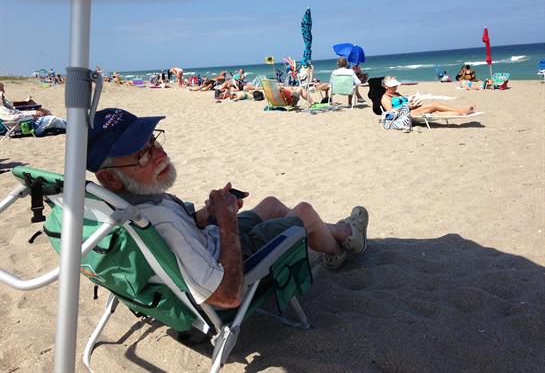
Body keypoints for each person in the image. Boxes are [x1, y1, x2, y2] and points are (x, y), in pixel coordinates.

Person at [87, 108, 369, 307]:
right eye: (144, 155)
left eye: (153, 141)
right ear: (111, 177)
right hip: (231, 262)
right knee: (304, 212)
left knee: (270, 204)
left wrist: (208, 214)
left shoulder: (125, 204)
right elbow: (227, 296)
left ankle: (340, 233)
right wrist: (226, 220)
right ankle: (340, 246)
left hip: (210, 241)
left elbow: (183, 230)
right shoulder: (159, 221)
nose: (161, 154)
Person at [381, 76, 475, 117]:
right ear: (386, 86)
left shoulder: (396, 94)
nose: (395, 87)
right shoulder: (385, 98)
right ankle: (461, 111)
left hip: (411, 110)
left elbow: (403, 102)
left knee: (436, 112)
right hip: (406, 115)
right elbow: (390, 112)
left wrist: (411, 101)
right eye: (393, 86)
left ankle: (460, 113)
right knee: (434, 105)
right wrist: (407, 106)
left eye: (395, 85)